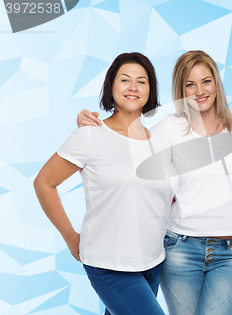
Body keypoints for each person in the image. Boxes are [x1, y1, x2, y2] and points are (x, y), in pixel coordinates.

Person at [77, 50, 232, 315]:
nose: (199, 91)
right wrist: (92, 125)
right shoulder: (167, 130)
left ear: (217, 82)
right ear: (180, 89)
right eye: (189, 84)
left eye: (206, 81)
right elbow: (124, 155)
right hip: (181, 249)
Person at [34, 52, 176, 315]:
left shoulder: (161, 145)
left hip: (152, 260)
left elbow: (165, 198)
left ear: (151, 90)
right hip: (109, 263)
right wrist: (69, 235)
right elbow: (44, 183)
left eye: (142, 81)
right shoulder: (90, 135)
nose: (133, 87)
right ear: (111, 87)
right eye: (125, 80)